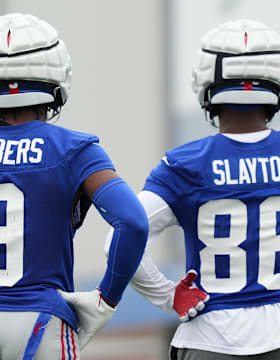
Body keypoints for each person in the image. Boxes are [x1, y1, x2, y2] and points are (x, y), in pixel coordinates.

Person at [0, 13, 149, 359]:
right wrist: (107, 299)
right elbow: (132, 222)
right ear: (55, 72)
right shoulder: (74, 150)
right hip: (42, 320)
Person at [106, 19, 280, 359]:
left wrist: (167, 295)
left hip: (208, 339)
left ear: (206, 82)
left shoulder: (185, 165)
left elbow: (121, 237)